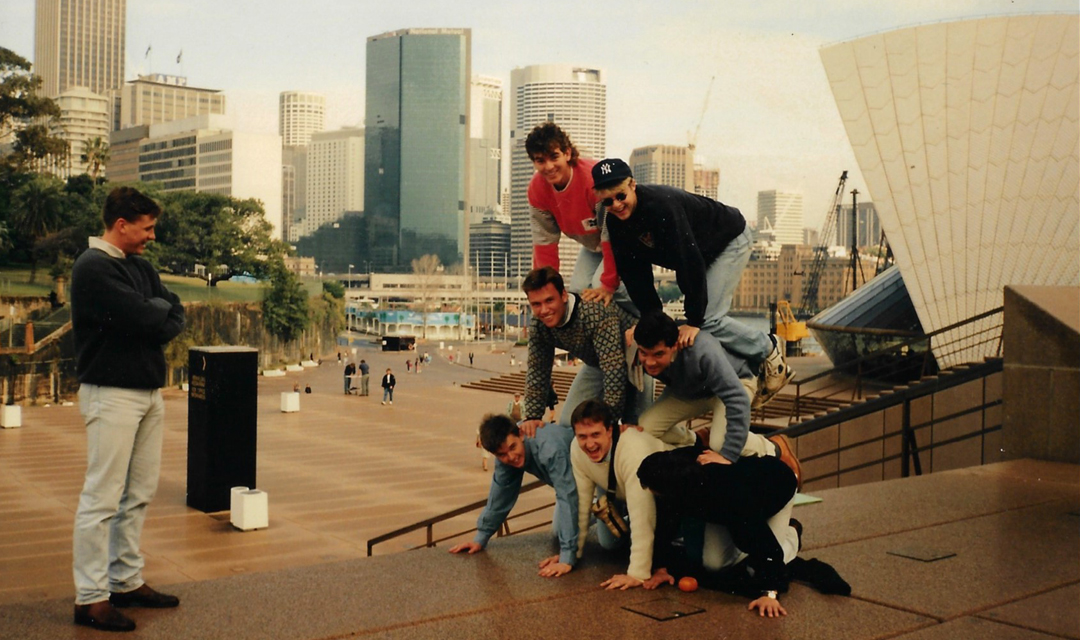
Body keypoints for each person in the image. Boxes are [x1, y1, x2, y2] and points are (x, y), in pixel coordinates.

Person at [69, 186, 185, 632]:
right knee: (101, 498)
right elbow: (147, 319)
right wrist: (154, 314)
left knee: (137, 493)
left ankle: (125, 579)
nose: (152, 236)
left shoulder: (138, 266)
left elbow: (171, 312)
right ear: (122, 224)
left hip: (146, 393)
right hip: (111, 393)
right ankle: (91, 597)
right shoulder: (93, 269)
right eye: (147, 227)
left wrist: (155, 313)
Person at [592, 158, 793, 408]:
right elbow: (635, 274)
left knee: (709, 319)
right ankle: (749, 369)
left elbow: (689, 262)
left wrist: (693, 320)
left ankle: (769, 350)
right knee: (705, 319)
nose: (617, 205)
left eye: (620, 196)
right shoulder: (614, 222)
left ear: (633, 185)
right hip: (701, 251)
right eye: (608, 201)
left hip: (729, 239)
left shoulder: (661, 206)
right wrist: (651, 318)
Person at [633, 311, 801, 486]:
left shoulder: (701, 350)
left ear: (675, 346)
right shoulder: (638, 348)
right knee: (645, 429)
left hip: (736, 382)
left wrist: (728, 454)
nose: (650, 362)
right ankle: (697, 440)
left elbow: (737, 398)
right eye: (644, 353)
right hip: (691, 390)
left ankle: (776, 447)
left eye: (658, 354)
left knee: (720, 443)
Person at [637, 445, 806, 617]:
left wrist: (769, 593)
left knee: (757, 567)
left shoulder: (727, 495)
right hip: (744, 491)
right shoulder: (675, 465)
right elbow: (665, 522)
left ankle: (792, 533)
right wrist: (661, 568)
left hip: (778, 484)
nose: (653, 495)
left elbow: (763, 542)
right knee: (714, 564)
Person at [520, 267, 649, 438]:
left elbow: (615, 371)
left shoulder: (594, 312)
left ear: (564, 296)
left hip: (637, 359)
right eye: (536, 304)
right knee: (569, 423)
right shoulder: (538, 324)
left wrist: (608, 421)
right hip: (598, 362)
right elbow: (537, 368)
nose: (544, 310)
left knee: (639, 428)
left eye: (549, 300)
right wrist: (532, 416)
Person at [450, 415, 579, 578]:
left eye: (513, 447)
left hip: (606, 485)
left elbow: (568, 497)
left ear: (521, 434)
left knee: (608, 541)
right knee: (560, 531)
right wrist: (480, 538)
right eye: (502, 455)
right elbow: (501, 494)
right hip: (579, 488)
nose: (511, 457)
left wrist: (567, 558)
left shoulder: (550, 449)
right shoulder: (506, 455)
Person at [525, 122, 635, 313]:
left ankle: (647, 323)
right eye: (540, 161)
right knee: (577, 292)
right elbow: (545, 245)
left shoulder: (592, 181)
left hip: (622, 240)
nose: (549, 166)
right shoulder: (537, 191)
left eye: (554, 157)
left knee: (602, 286)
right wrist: (547, 291)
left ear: (567, 153)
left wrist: (608, 285)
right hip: (594, 246)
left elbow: (610, 234)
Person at [569, 400, 670, 590]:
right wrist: (571, 555)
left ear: (610, 430)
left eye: (596, 434)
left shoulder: (633, 449)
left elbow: (642, 513)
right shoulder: (576, 448)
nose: (589, 444)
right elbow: (582, 504)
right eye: (582, 436)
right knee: (609, 543)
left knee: (713, 561)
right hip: (628, 497)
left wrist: (638, 573)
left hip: (672, 501)